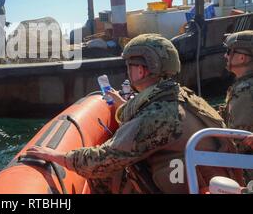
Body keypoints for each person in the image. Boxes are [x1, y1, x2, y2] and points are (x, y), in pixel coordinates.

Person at [26, 34, 242, 194]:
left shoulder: (158, 113)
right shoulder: (183, 96)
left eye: (130, 66)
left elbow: (104, 160)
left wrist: (58, 157)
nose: (128, 71)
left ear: (141, 70)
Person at [221, 30, 253, 182]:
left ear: (242, 57)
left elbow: (239, 140)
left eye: (229, 52)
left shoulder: (245, 90)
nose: (225, 56)